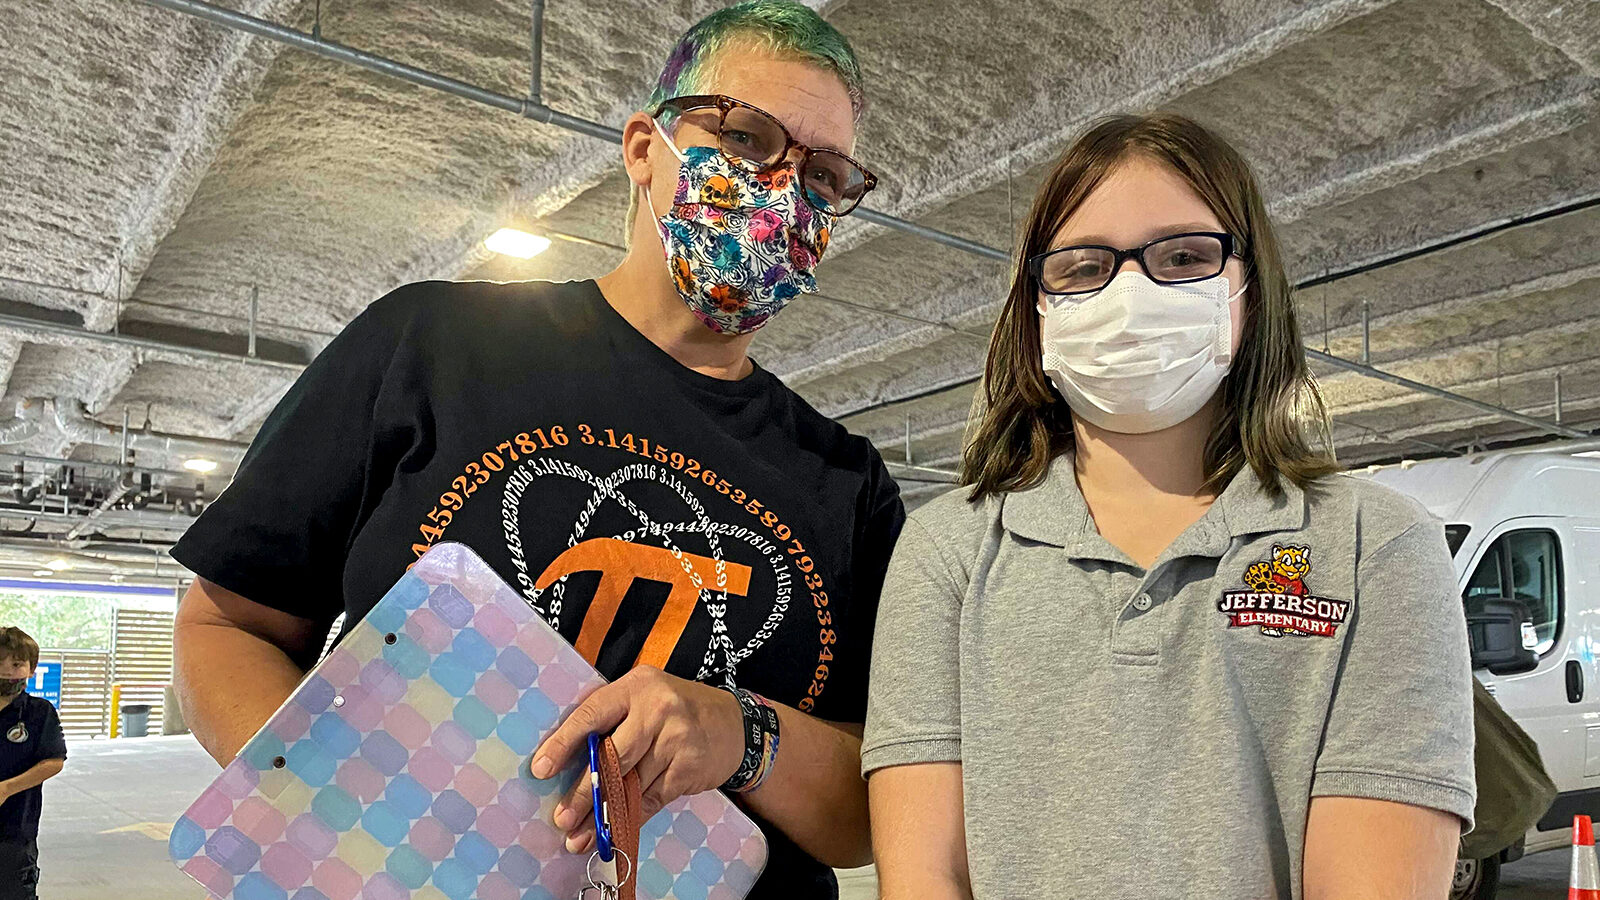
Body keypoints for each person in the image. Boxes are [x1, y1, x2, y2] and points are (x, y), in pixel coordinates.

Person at [170, 2, 902, 896]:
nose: (785, 188)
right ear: (644, 149)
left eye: (825, 176)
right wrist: (339, 819)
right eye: (747, 138)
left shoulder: (847, 484)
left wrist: (739, 734)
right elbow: (226, 623)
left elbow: (873, 806)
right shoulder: (433, 346)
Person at [862, 113, 1474, 900]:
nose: (1130, 294)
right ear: (1036, 308)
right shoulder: (948, 551)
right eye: (1082, 268)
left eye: (1183, 257)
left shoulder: (1375, 547)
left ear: (1251, 291)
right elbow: (925, 876)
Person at [0, 627, 66, 900]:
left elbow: (53, 761)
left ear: (31, 669)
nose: (6, 671)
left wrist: (6, 789)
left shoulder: (40, 713)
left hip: (14, 830)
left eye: (16, 663)